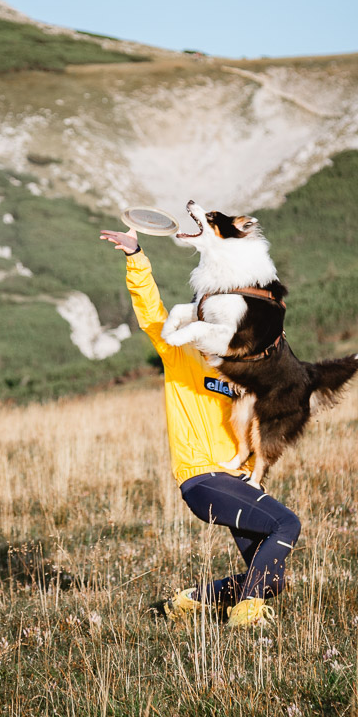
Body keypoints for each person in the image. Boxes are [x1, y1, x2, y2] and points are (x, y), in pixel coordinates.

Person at [100, 225, 301, 627]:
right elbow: (150, 310)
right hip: (202, 480)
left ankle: (189, 601)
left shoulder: (238, 366)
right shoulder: (180, 354)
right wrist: (135, 255)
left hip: (237, 479)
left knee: (271, 580)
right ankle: (244, 616)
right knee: (286, 523)